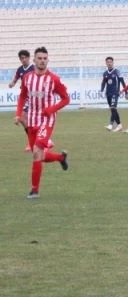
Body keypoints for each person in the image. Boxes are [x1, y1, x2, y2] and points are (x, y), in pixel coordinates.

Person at [14, 47, 70, 199]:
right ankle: (60, 158)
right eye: (39, 58)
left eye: (45, 58)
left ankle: (34, 190)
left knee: (37, 152)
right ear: (34, 60)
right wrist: (18, 114)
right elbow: (22, 96)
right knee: (38, 155)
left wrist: (51, 109)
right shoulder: (27, 78)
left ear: (48, 60)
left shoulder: (54, 79)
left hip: (47, 120)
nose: (42, 61)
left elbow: (66, 99)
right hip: (32, 120)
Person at [9, 49, 34, 150]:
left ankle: (34, 141)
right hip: (25, 96)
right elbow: (15, 80)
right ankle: (32, 141)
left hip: (33, 96)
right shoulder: (20, 70)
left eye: (25, 58)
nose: (23, 60)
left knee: (24, 117)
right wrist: (12, 84)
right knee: (24, 118)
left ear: (28, 58)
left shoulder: (33, 68)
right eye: (21, 58)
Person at [100, 56, 125, 132]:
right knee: (113, 109)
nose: (109, 63)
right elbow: (103, 82)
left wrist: (125, 91)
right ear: (106, 63)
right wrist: (101, 91)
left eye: (110, 62)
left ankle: (110, 125)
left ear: (113, 63)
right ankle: (119, 125)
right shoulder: (105, 73)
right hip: (108, 93)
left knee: (113, 108)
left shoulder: (117, 71)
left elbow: (122, 82)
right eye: (108, 62)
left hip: (115, 93)